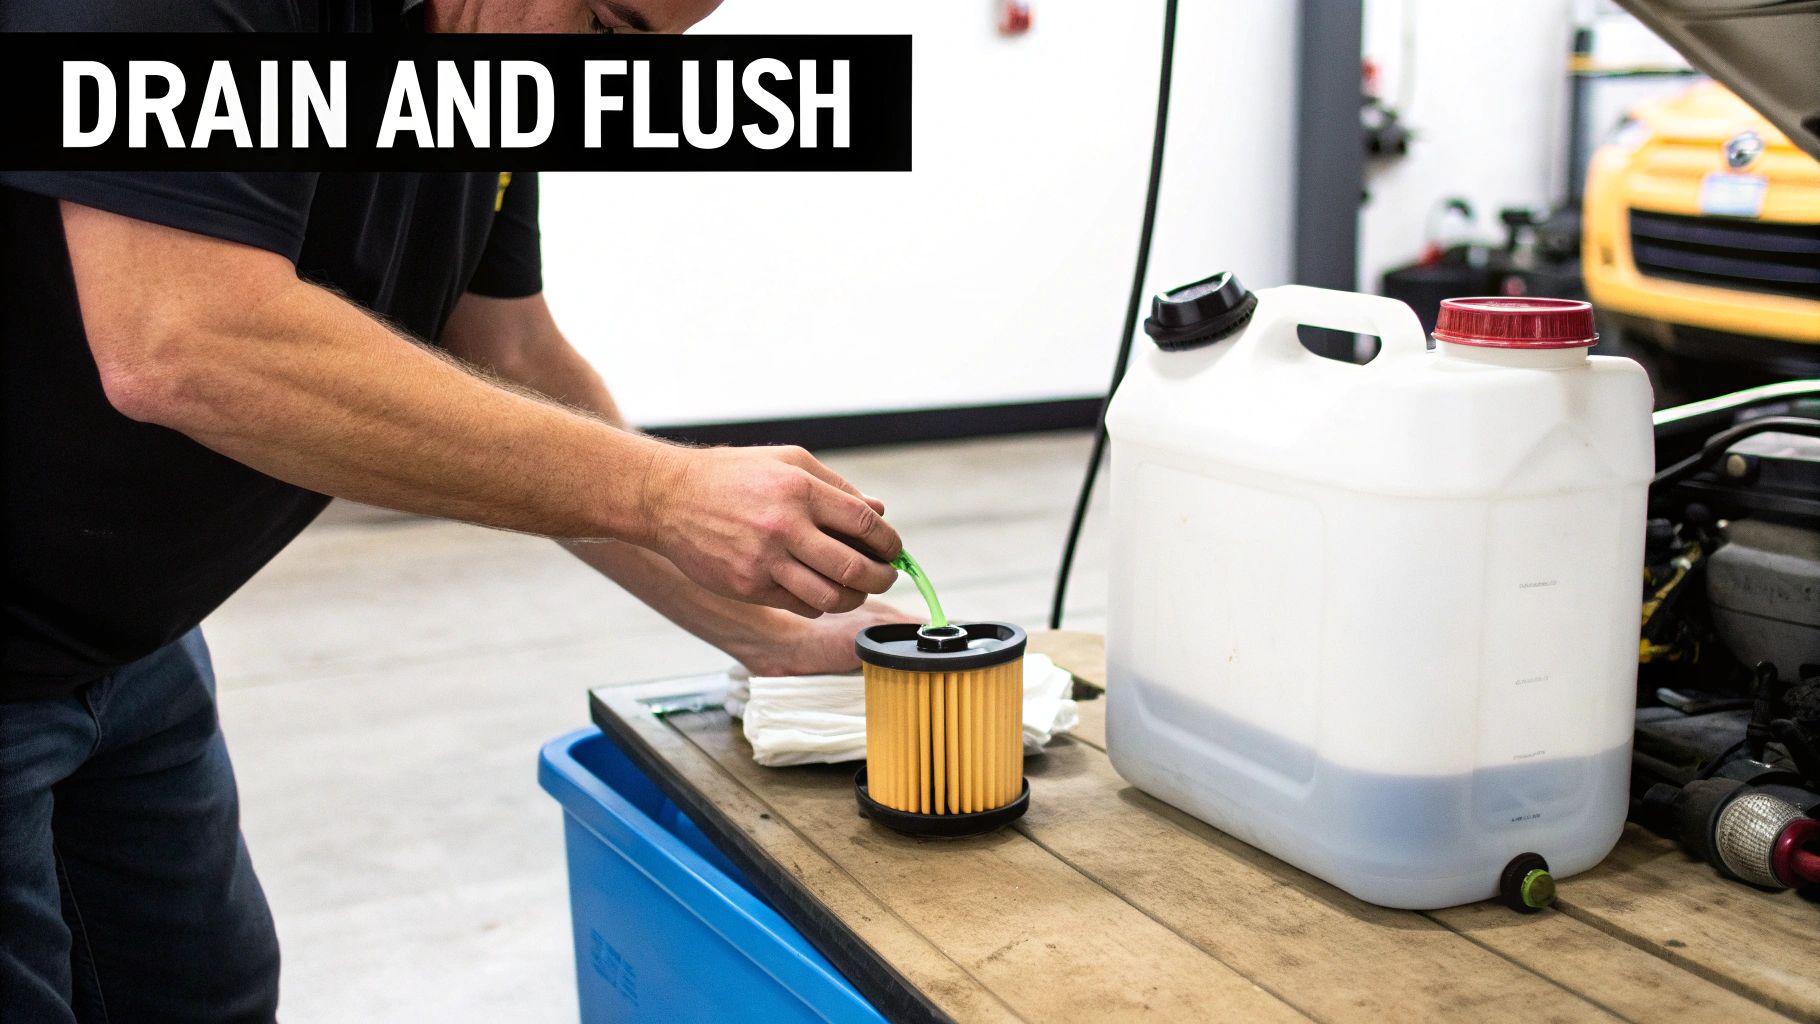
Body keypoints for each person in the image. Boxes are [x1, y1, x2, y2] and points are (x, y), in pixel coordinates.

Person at [0, 1, 911, 1019]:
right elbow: (184, 337)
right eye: (609, 31)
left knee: (204, 996)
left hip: (123, 637)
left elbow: (507, 353)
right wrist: (662, 493)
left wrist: (777, 631)